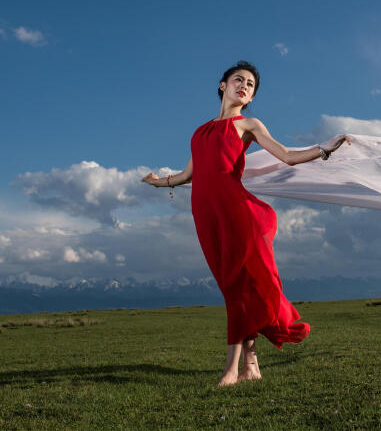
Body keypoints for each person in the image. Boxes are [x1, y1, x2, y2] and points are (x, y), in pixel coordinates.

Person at [142, 61, 350, 387]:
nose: (244, 86)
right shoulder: (200, 132)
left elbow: (287, 155)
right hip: (208, 216)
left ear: (251, 97)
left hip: (238, 214)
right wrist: (157, 182)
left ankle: (231, 370)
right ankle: (252, 364)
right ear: (222, 85)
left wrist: (323, 149)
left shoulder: (247, 125)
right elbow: (187, 176)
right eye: (239, 80)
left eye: (251, 85)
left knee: (237, 286)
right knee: (234, 287)